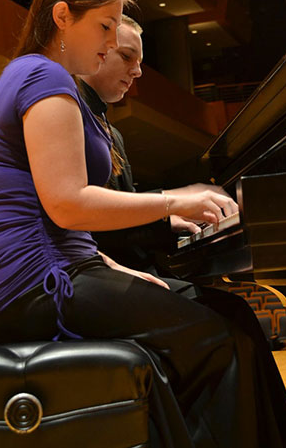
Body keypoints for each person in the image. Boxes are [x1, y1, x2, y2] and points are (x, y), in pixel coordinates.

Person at [0, 0, 286, 448]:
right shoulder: (44, 78)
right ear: (62, 16)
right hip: (35, 285)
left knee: (230, 314)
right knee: (214, 342)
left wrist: (118, 270)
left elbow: (59, 222)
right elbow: (69, 205)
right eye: (104, 26)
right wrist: (177, 200)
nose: (110, 43)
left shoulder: (40, 76)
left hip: (57, 271)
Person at [79, 14, 202, 276]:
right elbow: (94, 222)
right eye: (126, 56)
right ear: (96, 51)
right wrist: (173, 204)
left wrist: (168, 219)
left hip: (122, 267)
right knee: (227, 311)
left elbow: (124, 207)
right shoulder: (72, 117)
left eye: (139, 62)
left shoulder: (112, 131)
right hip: (98, 272)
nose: (138, 71)